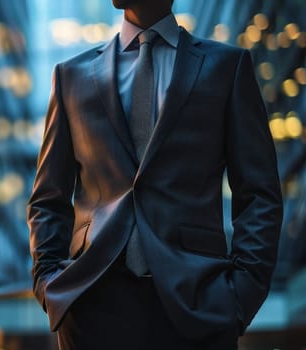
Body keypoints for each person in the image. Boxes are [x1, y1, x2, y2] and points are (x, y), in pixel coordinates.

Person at [27, 0, 283, 348]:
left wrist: (240, 295)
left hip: (198, 303)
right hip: (93, 305)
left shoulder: (226, 68)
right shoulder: (71, 76)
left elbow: (259, 193)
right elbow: (48, 199)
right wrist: (50, 284)